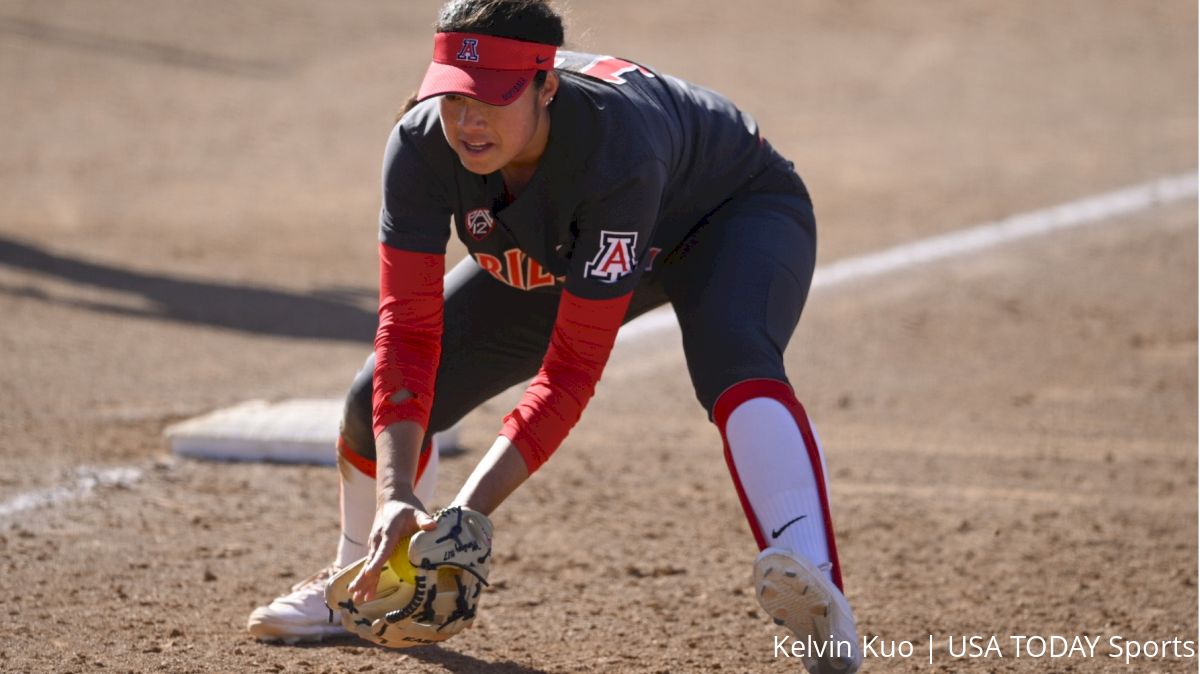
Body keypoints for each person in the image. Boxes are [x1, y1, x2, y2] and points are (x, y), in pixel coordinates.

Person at [247, 1, 861, 671]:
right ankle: (357, 582)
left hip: (729, 214)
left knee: (732, 356)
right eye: (452, 95)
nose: (467, 119)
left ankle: (814, 581)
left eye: (491, 98)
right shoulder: (423, 145)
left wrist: (468, 514)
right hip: (578, 243)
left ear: (547, 86)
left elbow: (569, 373)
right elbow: (408, 333)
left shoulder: (614, 149)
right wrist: (401, 497)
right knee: (372, 403)